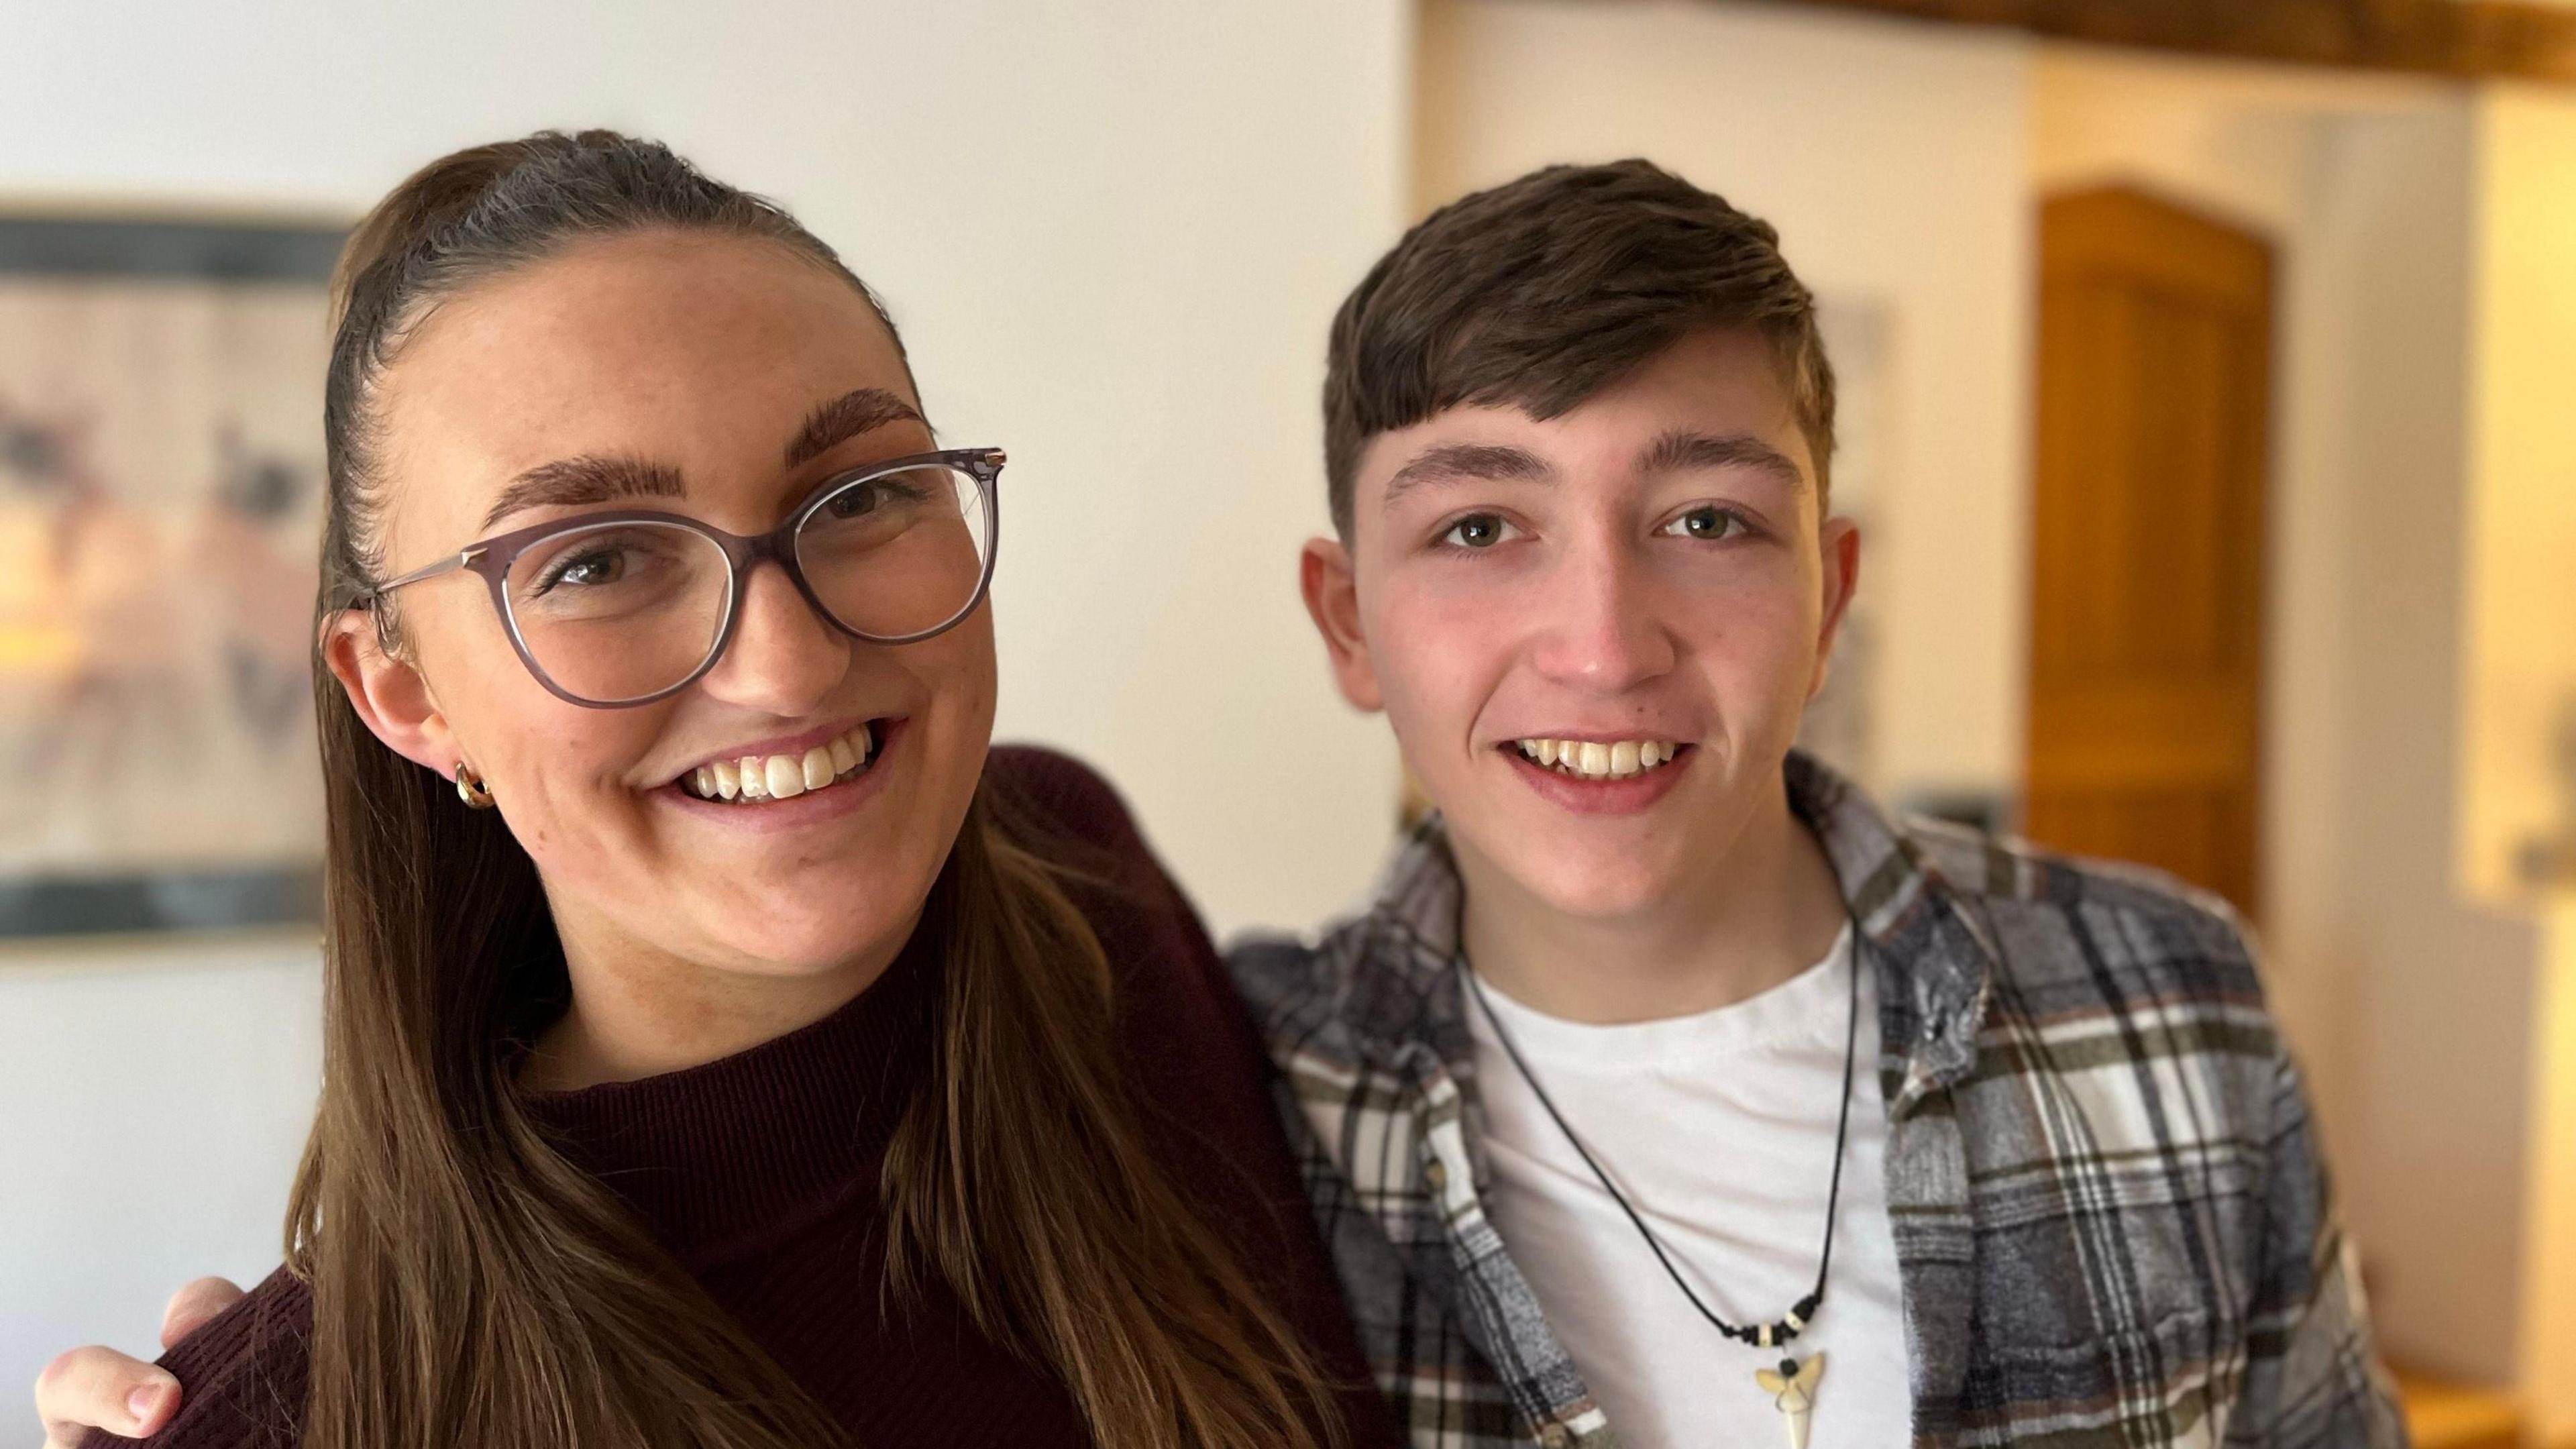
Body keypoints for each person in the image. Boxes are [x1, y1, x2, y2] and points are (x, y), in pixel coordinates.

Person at [30, 129, 1399, 1449]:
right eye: (594, 561)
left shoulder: (1084, 881)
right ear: (405, 694)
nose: (788, 665)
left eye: (861, 497)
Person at [1226, 159, 2407, 1448]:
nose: (1605, 650)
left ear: (1830, 600)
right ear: (1350, 624)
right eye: (1478, 529)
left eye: (1708, 520)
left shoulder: (2179, 999)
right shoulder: (1220, 1113)